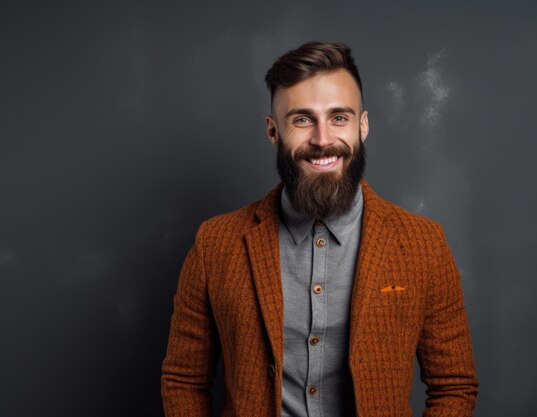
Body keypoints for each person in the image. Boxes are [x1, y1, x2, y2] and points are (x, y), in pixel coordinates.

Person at [161, 41, 479, 417]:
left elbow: (453, 386)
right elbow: (184, 380)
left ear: (362, 126)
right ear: (273, 131)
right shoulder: (215, 244)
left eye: (339, 118)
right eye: (302, 119)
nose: (323, 139)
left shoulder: (424, 244)